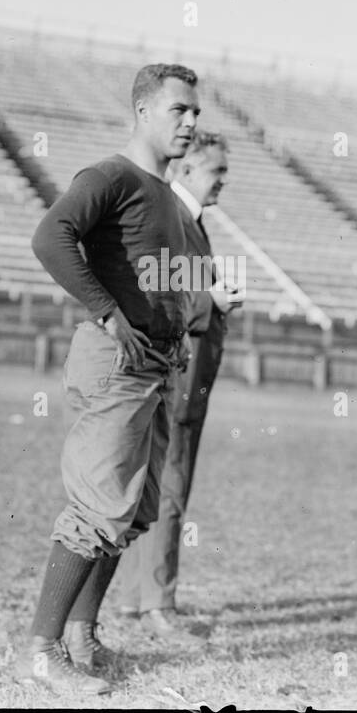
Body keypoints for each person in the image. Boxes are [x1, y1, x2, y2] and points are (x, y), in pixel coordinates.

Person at [18, 63, 200, 697]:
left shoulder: (168, 198)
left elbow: (164, 281)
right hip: (114, 364)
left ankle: (81, 637)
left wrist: (175, 335)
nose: (190, 122)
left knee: (132, 510)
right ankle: (42, 651)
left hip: (154, 369)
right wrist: (107, 310)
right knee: (99, 506)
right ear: (144, 110)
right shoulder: (111, 176)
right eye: (179, 110)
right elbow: (51, 237)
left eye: (195, 112)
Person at [112, 130, 241, 640]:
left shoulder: (188, 220)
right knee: (170, 489)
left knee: (157, 486)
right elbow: (170, 296)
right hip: (181, 374)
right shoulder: (176, 219)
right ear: (188, 169)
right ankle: (157, 604)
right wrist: (215, 302)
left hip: (185, 372)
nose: (223, 183)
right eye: (217, 172)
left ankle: (134, 597)